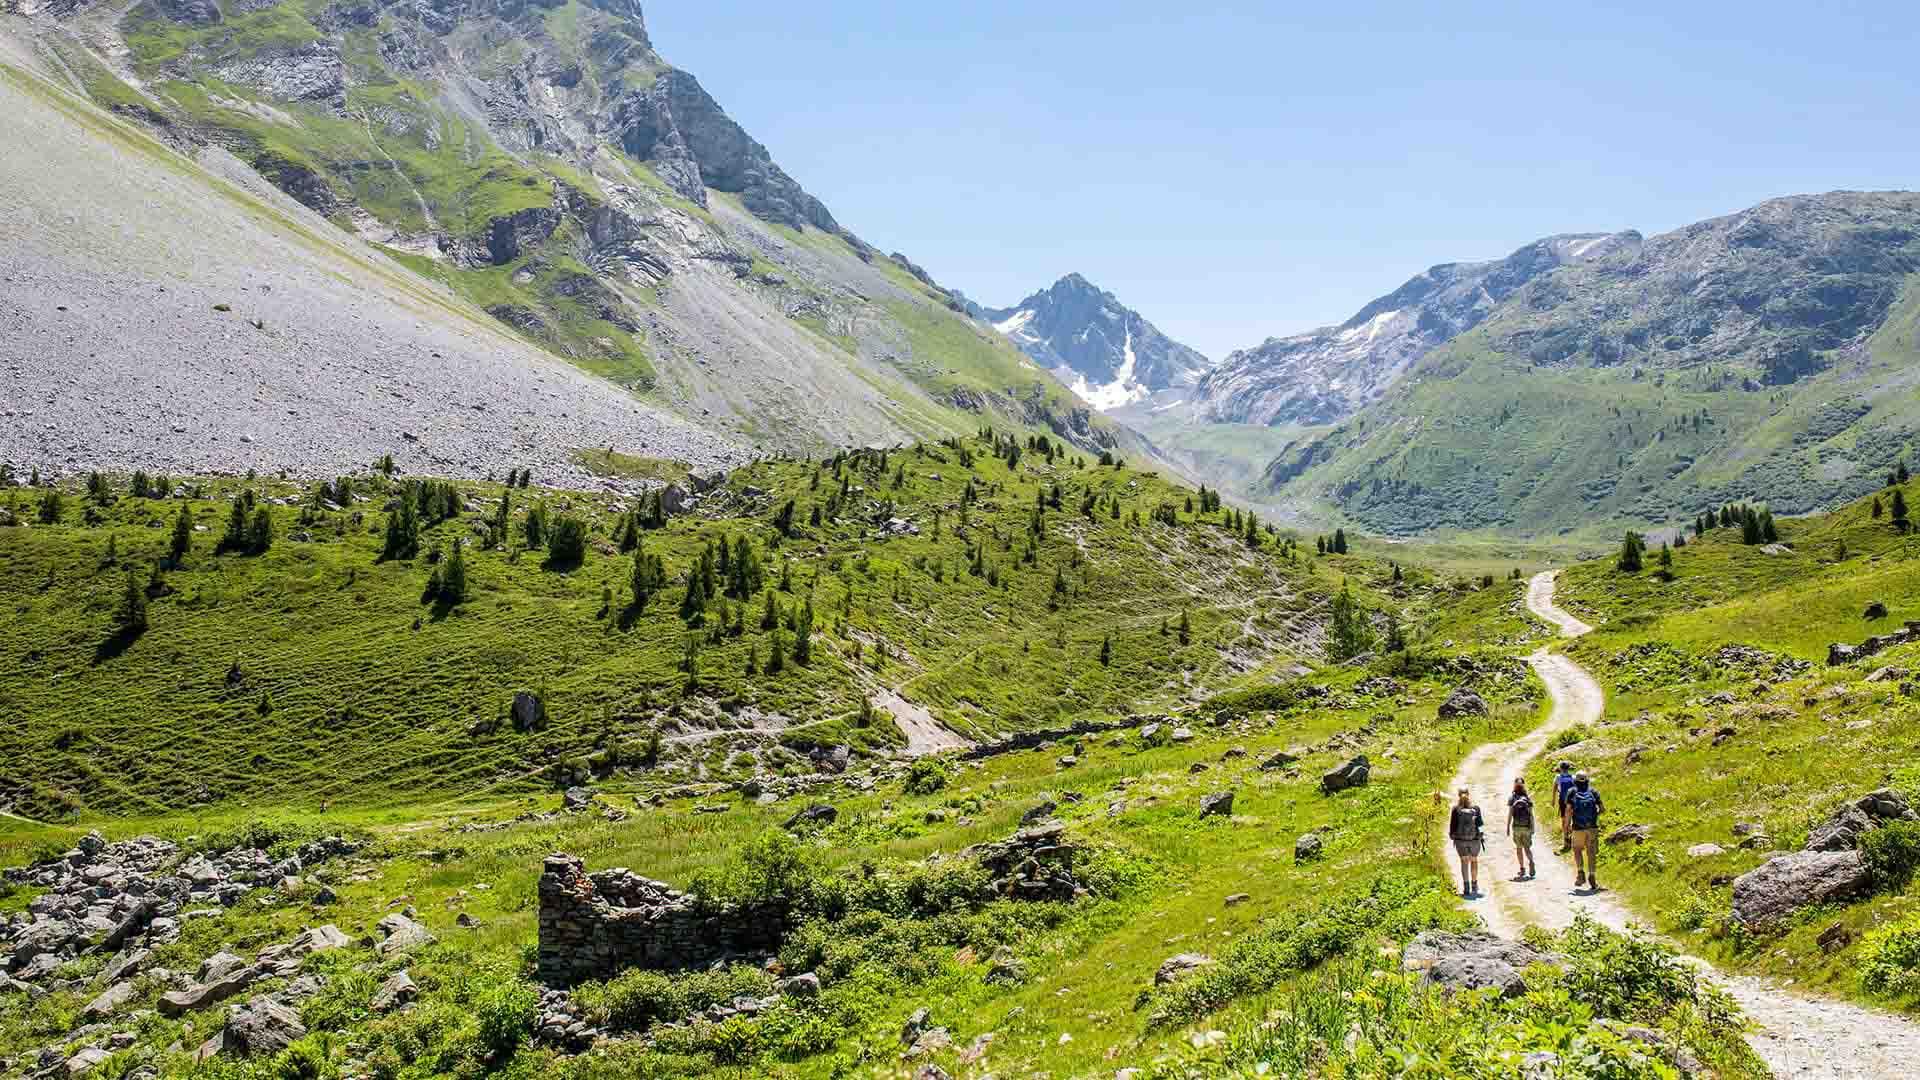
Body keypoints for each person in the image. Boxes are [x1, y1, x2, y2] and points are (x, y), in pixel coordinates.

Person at [1566, 771, 1605, 890]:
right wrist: (1595, 816)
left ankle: (1580, 872)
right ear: (1587, 780)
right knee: (1591, 852)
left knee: (1577, 849)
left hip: (1578, 827)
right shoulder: (1593, 792)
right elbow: (1602, 809)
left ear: (1575, 781)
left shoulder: (1572, 792)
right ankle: (1592, 875)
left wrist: (1567, 825)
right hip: (1592, 827)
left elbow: (1568, 810)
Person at [1448, 787, 1485, 897]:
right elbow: (1480, 824)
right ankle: (1474, 885)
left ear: (1458, 795)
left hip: (1460, 841)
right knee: (1474, 861)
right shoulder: (1476, 808)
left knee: (1464, 862)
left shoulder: (1455, 809)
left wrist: (1453, 836)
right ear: (1469, 794)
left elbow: (1452, 827)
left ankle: (1466, 888)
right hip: (1474, 840)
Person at [1507, 777, 1537, 881]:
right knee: (1527, 848)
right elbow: (1531, 815)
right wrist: (1533, 827)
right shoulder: (1527, 798)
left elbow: (1510, 814)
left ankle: (1522, 868)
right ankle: (1531, 862)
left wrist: (1507, 827)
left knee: (1519, 848)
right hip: (1526, 826)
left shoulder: (1512, 798)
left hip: (1516, 827)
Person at [1553, 761, 1577, 851]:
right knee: (1570, 820)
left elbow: (1554, 789)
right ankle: (1571, 837)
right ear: (1568, 768)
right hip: (1571, 802)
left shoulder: (1558, 777)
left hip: (1562, 802)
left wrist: (1553, 800)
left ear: (1560, 768)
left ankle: (1565, 841)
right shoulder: (1573, 777)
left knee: (1564, 822)